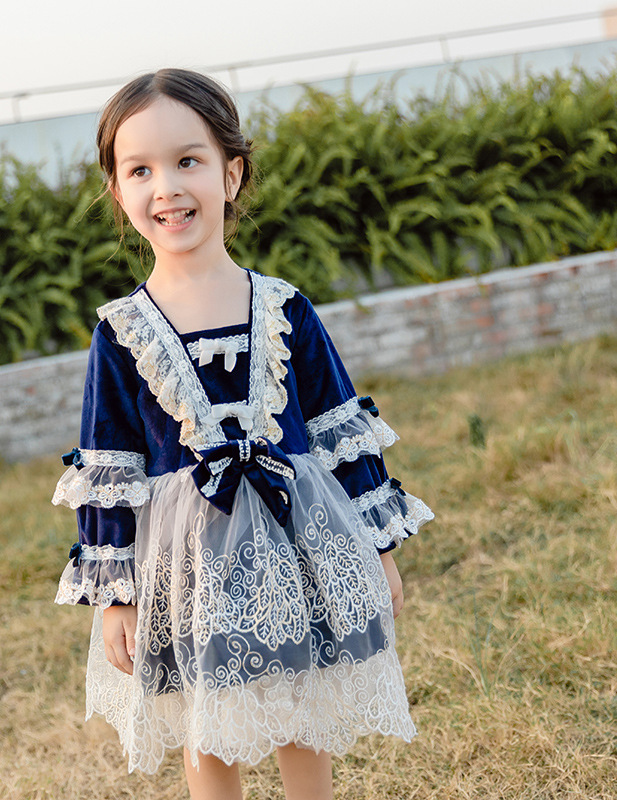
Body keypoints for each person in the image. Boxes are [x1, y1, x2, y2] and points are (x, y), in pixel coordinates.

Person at [51, 68, 434, 800]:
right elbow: (111, 467)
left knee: (301, 700)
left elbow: (338, 429)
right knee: (208, 716)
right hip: (185, 560)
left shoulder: (285, 309)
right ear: (118, 193)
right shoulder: (121, 333)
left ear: (231, 174)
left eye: (187, 161)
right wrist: (116, 597)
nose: (167, 187)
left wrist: (378, 550)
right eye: (140, 170)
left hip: (297, 538)